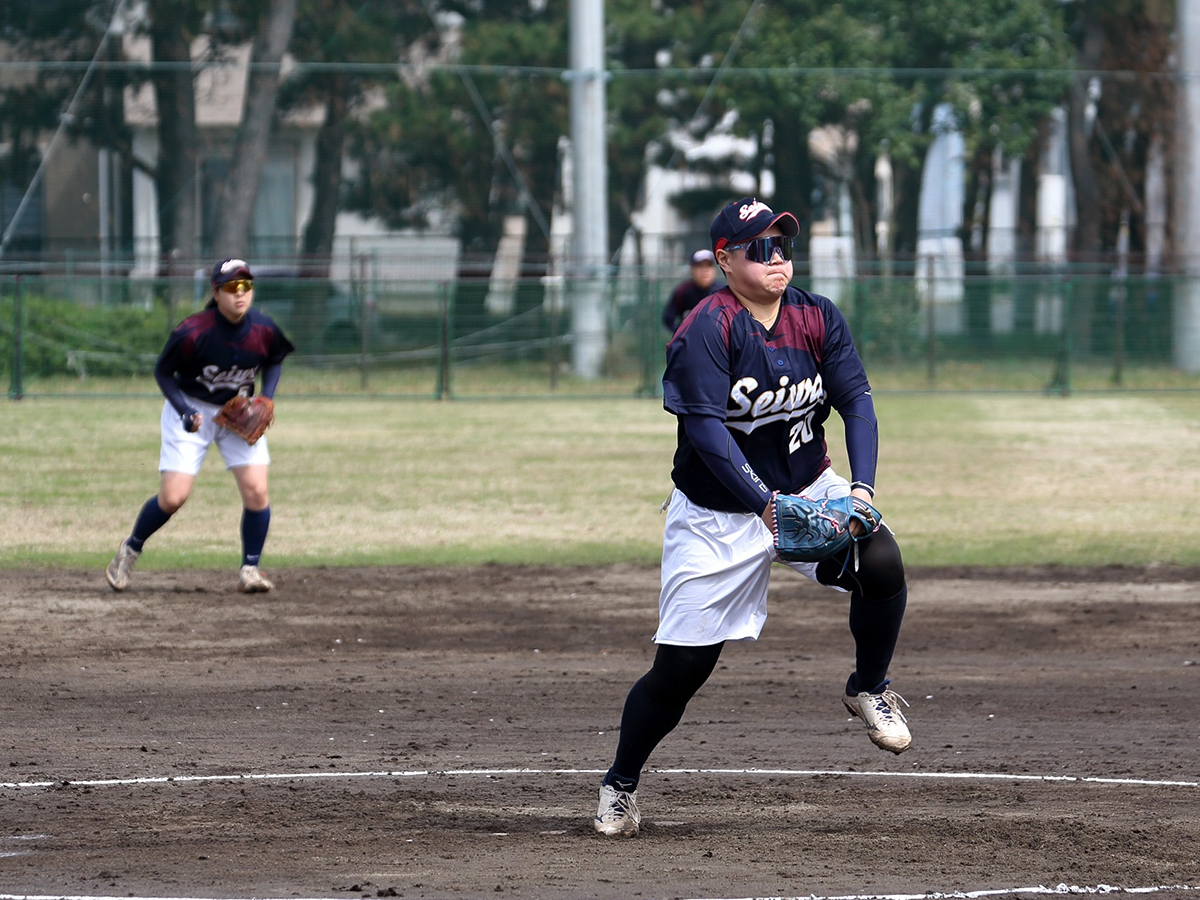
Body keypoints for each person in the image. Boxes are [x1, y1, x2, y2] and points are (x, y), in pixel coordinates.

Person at [593, 198, 912, 837]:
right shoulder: (706, 328)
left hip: (807, 485)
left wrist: (863, 490)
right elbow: (706, 433)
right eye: (760, 248)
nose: (777, 258)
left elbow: (857, 403)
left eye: (783, 245)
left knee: (880, 557)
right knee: (681, 671)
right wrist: (766, 505)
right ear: (725, 260)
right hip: (718, 514)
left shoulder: (816, 317)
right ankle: (620, 784)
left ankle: (867, 687)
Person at [105, 258, 295, 594]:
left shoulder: (264, 329)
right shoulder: (193, 332)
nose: (240, 294)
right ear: (215, 292)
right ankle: (130, 548)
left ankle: (250, 569)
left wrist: (265, 397)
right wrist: (182, 411)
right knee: (174, 497)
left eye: (246, 286)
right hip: (192, 411)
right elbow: (163, 372)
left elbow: (275, 358)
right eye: (231, 287)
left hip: (239, 412)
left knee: (257, 492)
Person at [662, 248, 722, 333]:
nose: (705, 270)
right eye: (700, 266)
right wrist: (681, 335)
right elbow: (668, 318)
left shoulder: (723, 293)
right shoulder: (683, 292)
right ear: (692, 269)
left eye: (709, 265)